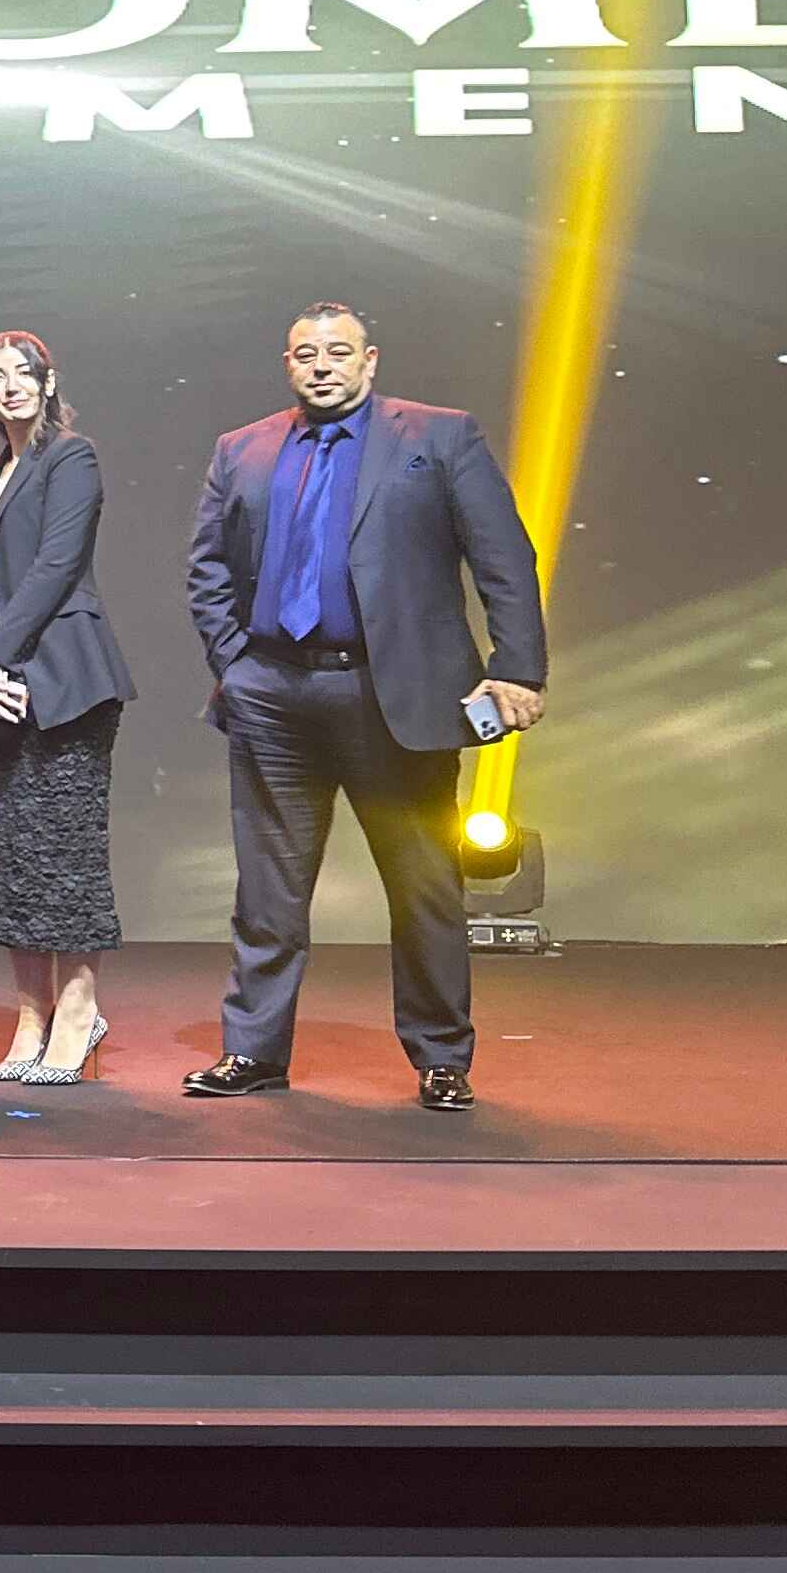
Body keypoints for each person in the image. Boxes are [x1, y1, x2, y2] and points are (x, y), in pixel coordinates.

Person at [183, 297, 547, 1113]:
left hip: (394, 695)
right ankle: (254, 1051)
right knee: (267, 892)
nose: (323, 366)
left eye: (339, 352)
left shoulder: (440, 437)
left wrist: (519, 669)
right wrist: (237, 664)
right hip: (274, 694)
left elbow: (504, 558)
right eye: (307, 354)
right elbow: (207, 567)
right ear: (289, 363)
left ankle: (441, 1057)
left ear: (370, 360)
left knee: (424, 887)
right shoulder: (242, 448)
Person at [0, 330, 136, 1085]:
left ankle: (79, 1008)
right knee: (13, 858)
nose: (10, 386)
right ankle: (31, 1012)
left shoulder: (71, 457)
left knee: (67, 855)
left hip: (66, 681)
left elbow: (58, 565)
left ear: (48, 380)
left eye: (23, 373)